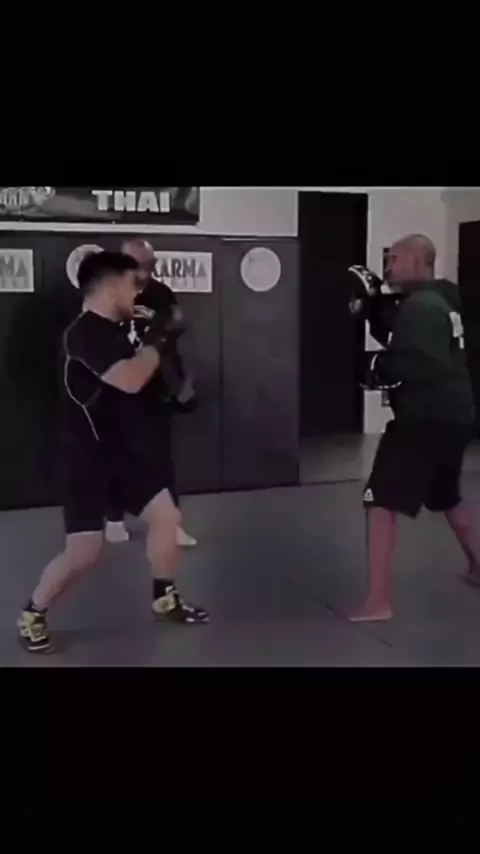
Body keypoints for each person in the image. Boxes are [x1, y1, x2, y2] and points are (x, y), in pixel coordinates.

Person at [17, 251, 209, 654]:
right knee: (84, 552)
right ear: (111, 286)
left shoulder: (118, 330)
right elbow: (130, 379)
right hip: (85, 459)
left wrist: (174, 390)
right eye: (131, 284)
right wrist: (159, 338)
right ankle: (33, 613)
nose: (137, 293)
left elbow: (139, 386)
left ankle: (164, 597)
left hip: (122, 453)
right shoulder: (83, 333)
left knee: (166, 516)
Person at [346, 234, 480, 623]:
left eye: (396, 259)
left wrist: (378, 370)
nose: (389, 267)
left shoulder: (421, 306)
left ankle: (378, 602)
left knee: (380, 502)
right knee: (447, 496)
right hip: (454, 416)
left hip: (424, 418)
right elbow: (404, 338)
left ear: (420, 261)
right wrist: (373, 310)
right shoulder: (439, 300)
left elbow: (422, 362)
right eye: (387, 260)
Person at [105, 238, 197, 549]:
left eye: (150, 265)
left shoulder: (161, 293)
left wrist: (182, 380)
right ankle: (114, 519)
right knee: (115, 454)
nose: (146, 271)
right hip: (116, 386)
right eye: (139, 265)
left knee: (160, 459)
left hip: (154, 386)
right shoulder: (107, 292)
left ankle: (171, 524)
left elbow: (175, 335)